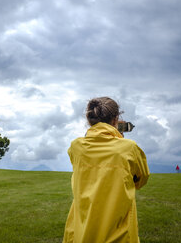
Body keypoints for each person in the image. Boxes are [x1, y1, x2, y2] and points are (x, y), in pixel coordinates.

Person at [63, 97, 150, 243]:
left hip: (81, 232)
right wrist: (119, 139)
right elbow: (141, 179)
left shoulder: (76, 147)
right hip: (119, 234)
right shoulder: (129, 148)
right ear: (116, 119)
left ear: (89, 120)